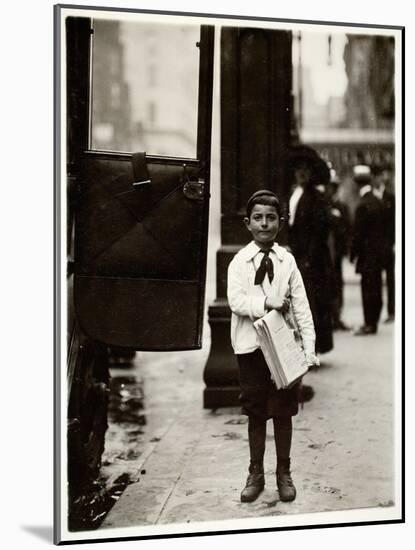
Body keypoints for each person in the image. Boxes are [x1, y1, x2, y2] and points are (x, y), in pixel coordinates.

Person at [227, 189, 319, 504]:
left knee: (283, 409)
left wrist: (308, 348)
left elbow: (302, 307)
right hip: (251, 347)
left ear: (281, 221)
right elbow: (236, 301)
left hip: (282, 347)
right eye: (258, 218)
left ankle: (284, 472)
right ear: (247, 223)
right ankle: (256, 473)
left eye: (271, 218)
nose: (264, 224)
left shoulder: (286, 261)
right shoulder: (240, 262)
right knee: (255, 410)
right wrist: (267, 301)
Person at [287, 146, 334, 354]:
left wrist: (308, 257)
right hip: (297, 256)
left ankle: (311, 349)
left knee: (311, 305)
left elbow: (319, 232)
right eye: (299, 169)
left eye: (306, 169)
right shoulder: (292, 194)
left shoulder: (316, 197)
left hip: (312, 259)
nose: (302, 173)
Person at [350, 165, 386, 335]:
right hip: (379, 254)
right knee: (377, 286)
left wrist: (353, 254)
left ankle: (368, 323)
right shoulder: (378, 202)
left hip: (366, 255)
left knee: (367, 287)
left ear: (357, 184)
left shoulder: (362, 205)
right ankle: (374, 322)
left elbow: (358, 234)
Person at [326, 169, 351, 330]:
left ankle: (337, 316)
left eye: (333, 187)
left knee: (337, 284)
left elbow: (347, 229)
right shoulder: (323, 205)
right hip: (327, 253)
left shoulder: (341, 207)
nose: (331, 190)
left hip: (337, 253)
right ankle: (330, 317)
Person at [372, 164, 395, 323]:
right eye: (375, 175)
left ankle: (391, 310)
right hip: (375, 245)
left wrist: (394, 242)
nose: (377, 178)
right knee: (376, 279)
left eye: (379, 175)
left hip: (387, 244)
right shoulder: (370, 197)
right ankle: (377, 311)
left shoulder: (390, 197)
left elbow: (394, 222)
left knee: (390, 278)